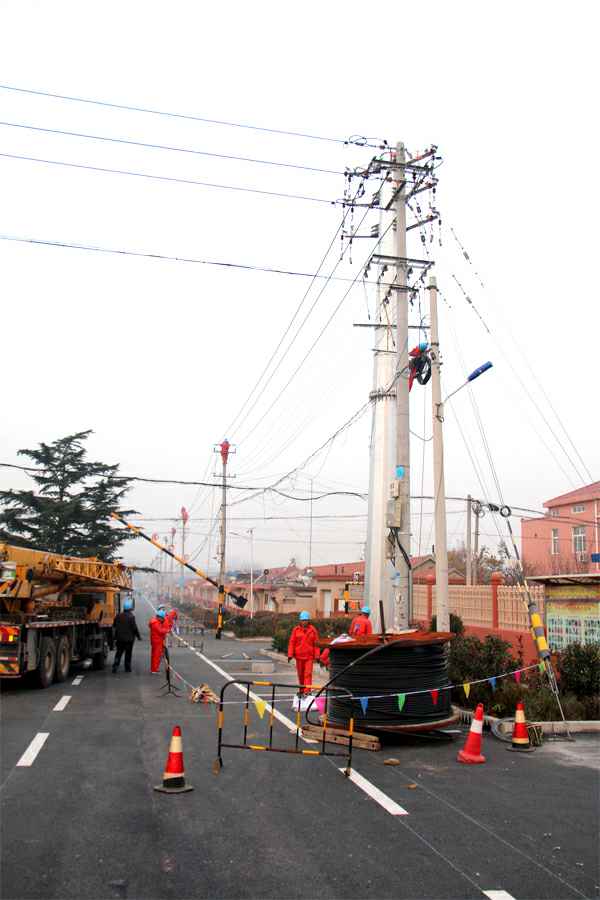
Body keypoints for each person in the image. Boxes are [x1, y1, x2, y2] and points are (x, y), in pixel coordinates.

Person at [287, 611, 320, 695]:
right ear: (300, 621)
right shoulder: (296, 630)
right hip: (299, 657)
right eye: (302, 620)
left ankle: (307, 691)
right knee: (301, 675)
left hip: (309, 657)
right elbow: (292, 642)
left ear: (308, 620)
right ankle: (301, 690)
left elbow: (316, 644)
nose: (304, 622)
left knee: (308, 674)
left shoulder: (313, 630)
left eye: (306, 620)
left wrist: (317, 656)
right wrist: (290, 654)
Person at [112, 599, 142, 673]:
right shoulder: (131, 617)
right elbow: (134, 628)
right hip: (129, 639)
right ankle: (127, 668)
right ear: (130, 608)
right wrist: (138, 636)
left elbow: (114, 625)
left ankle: (115, 666)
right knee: (128, 654)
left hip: (119, 638)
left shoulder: (118, 616)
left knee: (118, 653)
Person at [149, 607, 178, 674]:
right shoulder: (155, 623)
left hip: (157, 640)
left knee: (155, 655)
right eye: (162, 618)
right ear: (159, 617)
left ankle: (154, 668)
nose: (163, 620)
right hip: (157, 641)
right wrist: (168, 630)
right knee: (156, 656)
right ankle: (154, 669)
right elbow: (160, 630)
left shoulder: (155, 621)